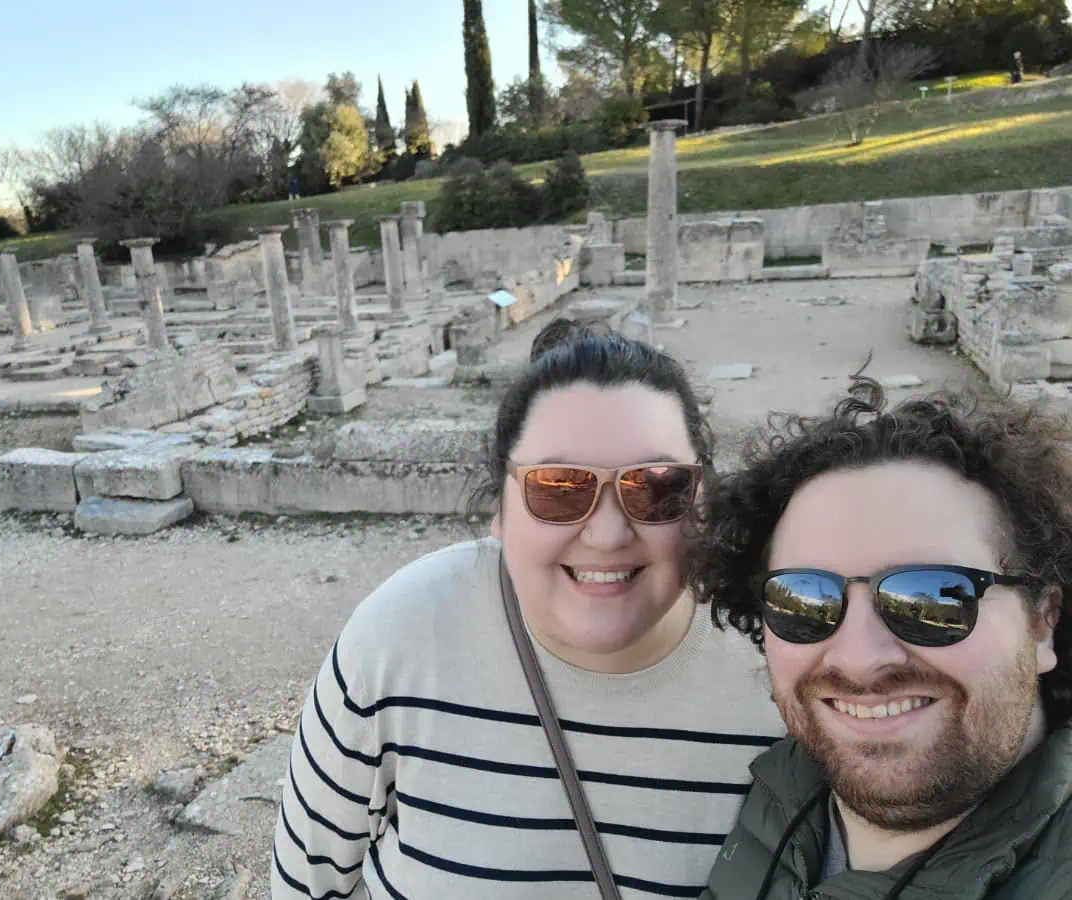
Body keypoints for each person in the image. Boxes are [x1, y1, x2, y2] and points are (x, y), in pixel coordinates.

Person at [271, 319, 785, 898]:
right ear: (500, 511)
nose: (609, 533)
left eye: (656, 487)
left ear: (701, 503)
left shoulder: (781, 669)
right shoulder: (402, 636)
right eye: (559, 487)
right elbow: (307, 884)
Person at [694, 381, 1072, 899]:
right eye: (805, 599)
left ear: (1043, 620)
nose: (860, 659)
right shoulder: (783, 788)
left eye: (934, 598)